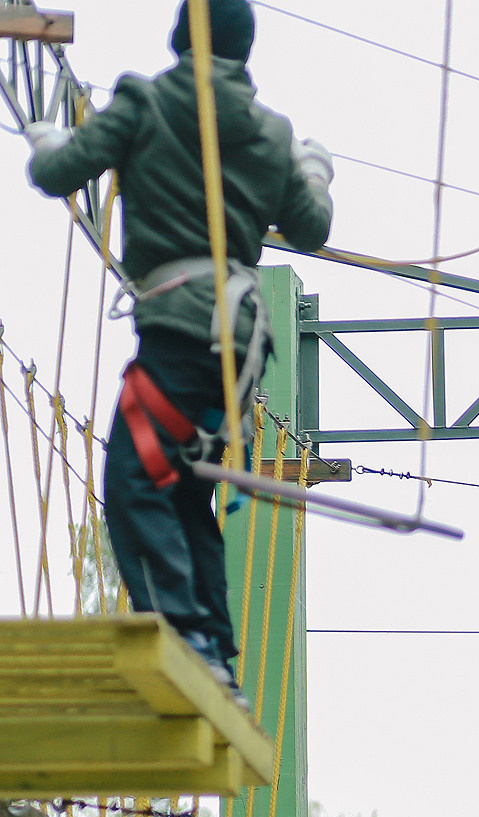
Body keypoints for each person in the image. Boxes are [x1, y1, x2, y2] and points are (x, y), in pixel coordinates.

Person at [23, 0, 333, 703]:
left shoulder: (145, 103)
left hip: (183, 328)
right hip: (240, 343)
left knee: (136, 483)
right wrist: (312, 169)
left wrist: (45, 142)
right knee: (183, 488)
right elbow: (311, 226)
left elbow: (60, 172)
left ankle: (191, 642)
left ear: (179, 37)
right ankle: (218, 653)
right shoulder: (269, 133)